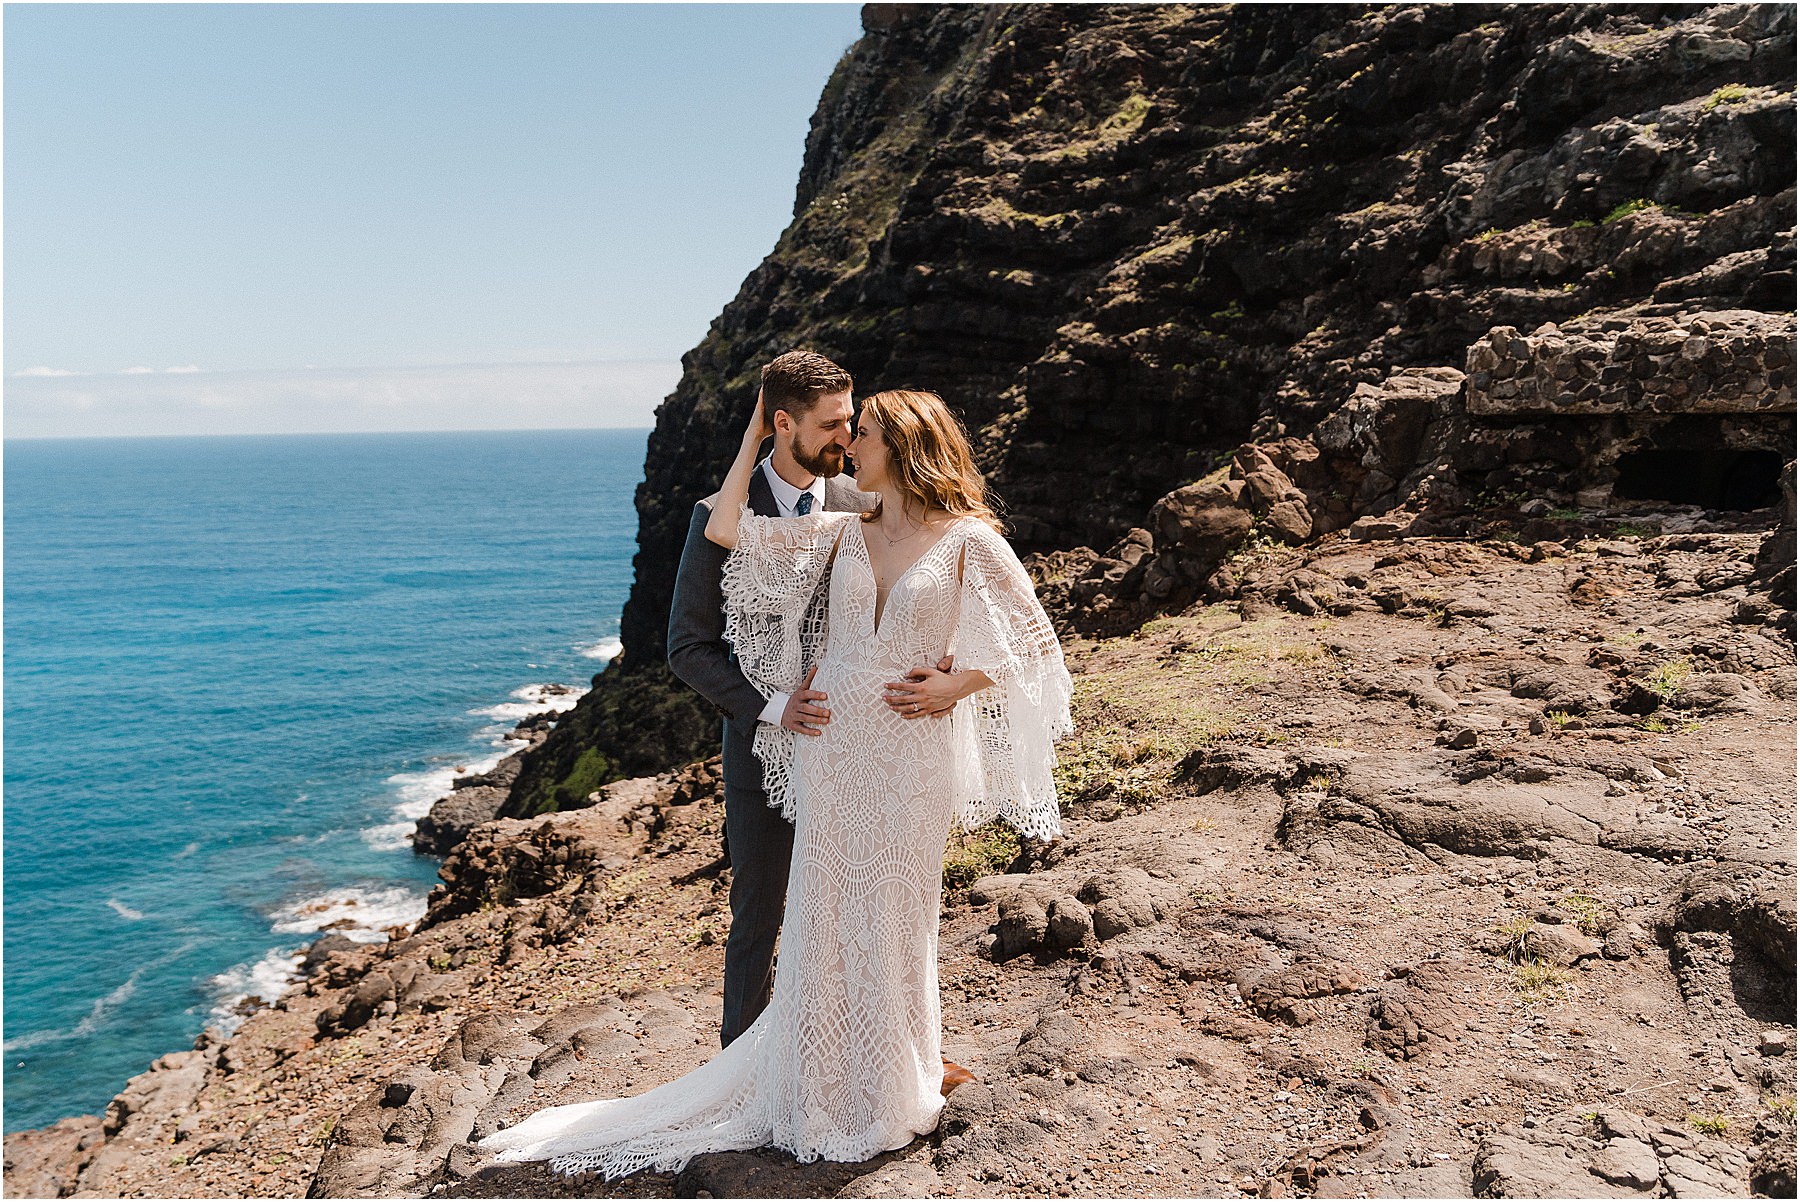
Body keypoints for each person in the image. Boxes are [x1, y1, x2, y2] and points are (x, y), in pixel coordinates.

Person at [478, 387, 1071, 1178]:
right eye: (845, 429)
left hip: (911, 756)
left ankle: (893, 1078)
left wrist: (952, 687)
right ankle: (823, 1082)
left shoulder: (970, 540)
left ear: (900, 448)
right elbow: (725, 529)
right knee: (826, 912)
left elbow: (1036, 646)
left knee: (897, 911)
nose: (847, 446)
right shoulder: (842, 530)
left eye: (861, 434)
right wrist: (757, 430)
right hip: (834, 746)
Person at [663, 349, 870, 1049]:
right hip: (759, 757)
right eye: (834, 423)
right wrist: (775, 707)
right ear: (783, 423)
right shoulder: (716, 517)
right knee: (759, 915)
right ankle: (737, 1073)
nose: (850, 435)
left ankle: (841, 1054)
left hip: (856, 747)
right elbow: (687, 649)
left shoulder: (862, 508)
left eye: (851, 418)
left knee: (853, 909)